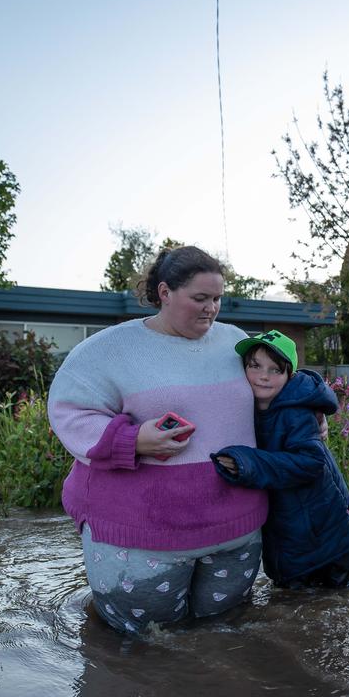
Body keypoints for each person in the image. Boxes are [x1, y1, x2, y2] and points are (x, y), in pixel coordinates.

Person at [48, 246, 267, 635]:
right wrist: (132, 440)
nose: (211, 309)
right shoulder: (109, 349)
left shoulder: (235, 342)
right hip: (144, 534)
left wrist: (307, 416)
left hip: (236, 528)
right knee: (143, 651)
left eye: (217, 298)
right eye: (199, 298)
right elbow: (69, 412)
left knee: (221, 639)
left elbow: (274, 388)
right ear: (165, 292)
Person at [211, 331, 349, 589]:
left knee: (338, 609)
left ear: (289, 376)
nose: (263, 376)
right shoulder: (248, 407)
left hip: (327, 538)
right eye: (255, 366)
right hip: (292, 535)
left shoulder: (297, 414)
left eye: (275, 370)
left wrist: (249, 463)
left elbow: (310, 463)